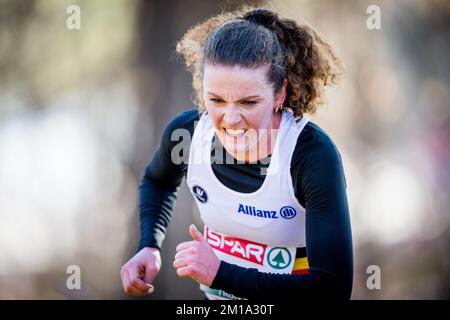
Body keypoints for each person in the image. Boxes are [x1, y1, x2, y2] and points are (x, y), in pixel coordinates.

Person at [120, 7, 353, 300]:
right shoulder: (188, 136)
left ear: (279, 94)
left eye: (248, 102)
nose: (230, 119)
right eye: (215, 99)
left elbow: (332, 289)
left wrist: (221, 274)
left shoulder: (311, 156)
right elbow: (158, 181)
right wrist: (149, 245)